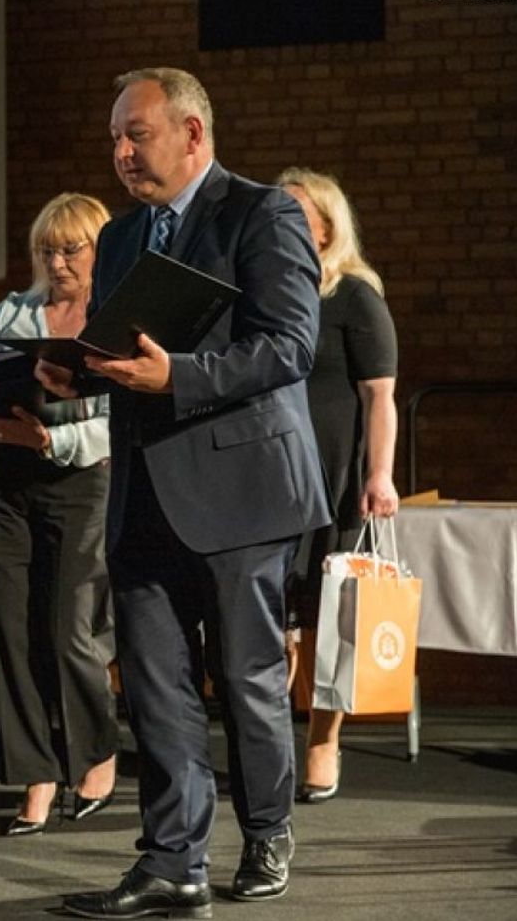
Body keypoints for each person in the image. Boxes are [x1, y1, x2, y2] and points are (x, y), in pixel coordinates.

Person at [47, 68, 329, 919]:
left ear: (193, 133)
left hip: (244, 491)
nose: (121, 153)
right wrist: (62, 379)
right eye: (114, 139)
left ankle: (268, 830)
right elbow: (118, 356)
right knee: (157, 687)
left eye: (136, 135)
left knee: (245, 679)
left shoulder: (262, 213)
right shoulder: (121, 237)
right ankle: (173, 860)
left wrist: (180, 376)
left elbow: (290, 346)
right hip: (145, 493)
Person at [0, 192, 119, 836]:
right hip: (7, 477)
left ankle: (95, 753)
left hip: (80, 480)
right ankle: (37, 775)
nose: (57, 262)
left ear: (99, 249)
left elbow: (123, 419)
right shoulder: (14, 311)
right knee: (8, 626)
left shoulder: (112, 317)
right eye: (46, 250)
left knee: (69, 628)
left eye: (70, 249)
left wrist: (54, 439)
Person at [276, 167, 400, 804]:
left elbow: (380, 397)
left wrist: (379, 474)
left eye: (298, 214)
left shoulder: (353, 297)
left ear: (327, 228)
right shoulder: (265, 293)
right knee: (272, 619)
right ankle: (270, 743)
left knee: (330, 618)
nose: (284, 224)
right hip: (271, 478)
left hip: (334, 478)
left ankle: (323, 742)